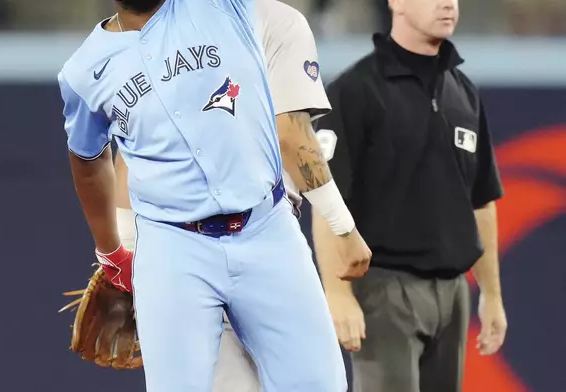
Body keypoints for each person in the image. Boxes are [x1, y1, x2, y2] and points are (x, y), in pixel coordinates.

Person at [57, 1, 369, 391]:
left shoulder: (222, 6)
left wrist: (342, 226)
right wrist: (113, 252)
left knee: (319, 385)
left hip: (266, 227)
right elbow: (89, 161)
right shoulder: (83, 71)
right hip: (174, 247)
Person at [311, 0, 509, 391]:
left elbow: (482, 200)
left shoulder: (463, 92)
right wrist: (337, 292)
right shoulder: (356, 89)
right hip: (385, 290)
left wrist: (492, 294)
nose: (448, 3)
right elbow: (326, 195)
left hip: (453, 293)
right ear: (396, 3)